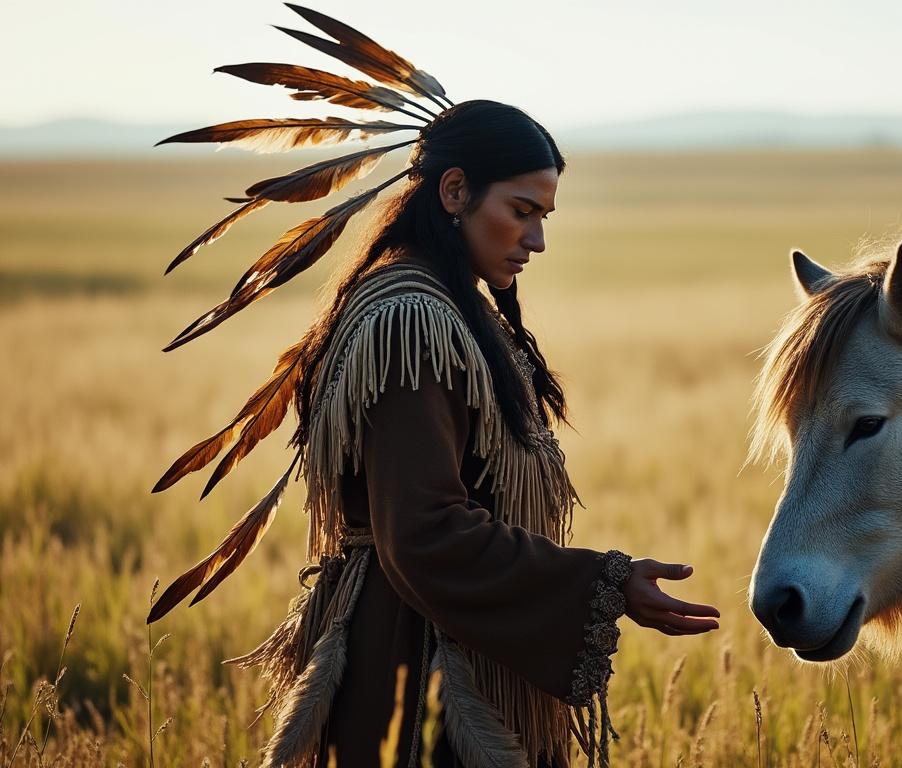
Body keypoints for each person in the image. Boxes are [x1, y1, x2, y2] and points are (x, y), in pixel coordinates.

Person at [144, 7, 718, 768]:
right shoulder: (410, 325)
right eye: (521, 212)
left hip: (448, 656)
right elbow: (423, 535)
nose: (538, 240)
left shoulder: (448, 308)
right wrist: (604, 583)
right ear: (454, 192)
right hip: (417, 676)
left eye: (545, 216)